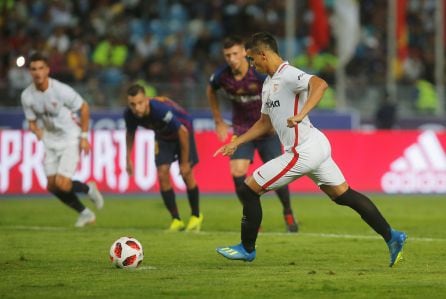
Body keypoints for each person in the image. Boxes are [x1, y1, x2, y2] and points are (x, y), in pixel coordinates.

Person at [214, 32, 407, 267]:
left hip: (302, 150)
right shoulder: (267, 84)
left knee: (249, 189)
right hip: (314, 145)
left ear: (263, 54)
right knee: (343, 195)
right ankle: (392, 236)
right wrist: (237, 141)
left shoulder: (288, 74)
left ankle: (247, 248)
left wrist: (302, 113)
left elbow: (320, 84)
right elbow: (264, 124)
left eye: (253, 59)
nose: (252, 65)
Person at [207, 35, 298, 232]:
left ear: (244, 53)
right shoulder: (222, 76)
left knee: (278, 176)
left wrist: (278, 118)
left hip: (267, 130)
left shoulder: (259, 74)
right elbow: (211, 90)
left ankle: (288, 211)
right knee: (237, 172)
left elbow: (280, 92)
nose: (231, 59)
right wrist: (218, 121)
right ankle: (252, 216)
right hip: (242, 131)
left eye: (235, 54)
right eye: (227, 55)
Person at [21, 52, 104, 228]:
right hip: (50, 139)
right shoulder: (27, 96)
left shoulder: (60, 90)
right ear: (30, 71)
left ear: (47, 70)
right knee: (52, 186)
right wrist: (36, 130)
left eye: (41, 68)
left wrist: (83, 137)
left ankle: (88, 189)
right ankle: (86, 213)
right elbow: (31, 121)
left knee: (62, 184)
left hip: (70, 138)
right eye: (34, 69)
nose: (37, 72)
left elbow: (84, 107)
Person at [124, 84, 203, 232]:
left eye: (140, 103)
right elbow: (130, 134)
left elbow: (182, 131)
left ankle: (196, 215)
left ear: (146, 100)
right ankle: (176, 220)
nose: (137, 108)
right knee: (162, 174)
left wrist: (184, 163)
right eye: (133, 104)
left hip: (183, 132)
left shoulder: (159, 109)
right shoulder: (130, 115)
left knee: (187, 175)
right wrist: (128, 158)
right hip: (163, 136)